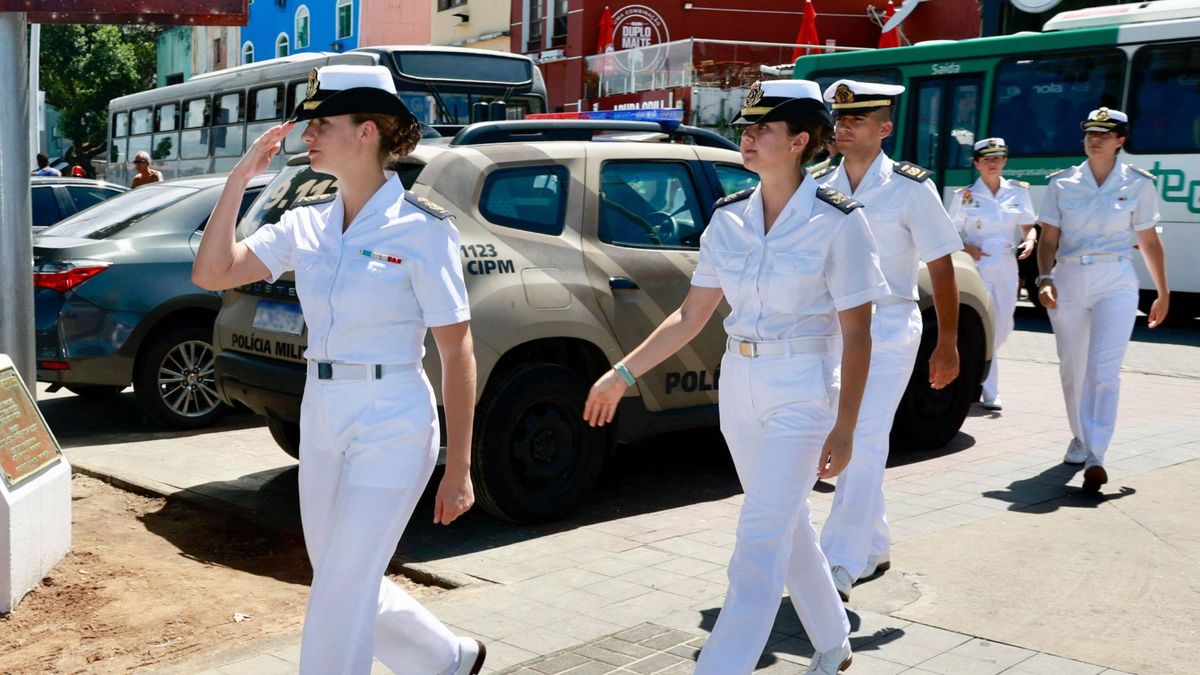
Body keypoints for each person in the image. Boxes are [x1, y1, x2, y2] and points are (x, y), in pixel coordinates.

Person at [584, 79, 887, 675]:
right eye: (745, 128)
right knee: (784, 522)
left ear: (800, 141)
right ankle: (832, 641)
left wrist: (847, 426)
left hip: (803, 390)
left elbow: (858, 334)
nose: (747, 137)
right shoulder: (729, 219)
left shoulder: (839, 222)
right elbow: (690, 315)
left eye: (763, 129)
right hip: (740, 385)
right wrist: (621, 373)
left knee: (756, 542)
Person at [192, 65, 485, 675]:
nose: (309, 135)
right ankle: (447, 658)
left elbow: (457, 349)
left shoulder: (422, 230)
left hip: (394, 417)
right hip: (321, 413)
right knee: (340, 574)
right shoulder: (308, 223)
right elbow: (213, 273)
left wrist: (458, 467)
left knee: (340, 589)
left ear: (367, 132)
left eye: (323, 123)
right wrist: (239, 180)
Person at [815, 79, 962, 602]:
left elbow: (942, 266)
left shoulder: (909, 187)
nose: (845, 125)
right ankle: (873, 542)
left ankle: (839, 560)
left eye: (858, 118)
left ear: (885, 127)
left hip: (891, 326)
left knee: (862, 436)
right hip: (833, 330)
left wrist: (948, 343)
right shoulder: (819, 184)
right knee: (850, 435)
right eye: (840, 117)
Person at [1036, 107, 1169, 495]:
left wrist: (1162, 292)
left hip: (1116, 279)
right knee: (1072, 368)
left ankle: (1097, 455)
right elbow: (1047, 240)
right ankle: (1079, 437)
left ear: (1120, 141)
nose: (1095, 139)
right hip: (1070, 278)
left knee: (1104, 368)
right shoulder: (1062, 183)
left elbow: (1148, 241)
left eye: (1105, 134)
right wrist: (1044, 278)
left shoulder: (1140, 183)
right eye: (1090, 133)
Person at [947, 137, 1037, 410]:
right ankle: (990, 389)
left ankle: (975, 369)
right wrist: (966, 247)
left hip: (1007, 264)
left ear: (1005, 161)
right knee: (986, 323)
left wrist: (1031, 240)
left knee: (1004, 325)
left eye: (997, 158)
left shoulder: (1018, 192)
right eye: (986, 160)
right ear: (976, 164)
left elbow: (1028, 225)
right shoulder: (965, 195)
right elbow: (948, 231)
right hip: (979, 265)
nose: (992, 164)